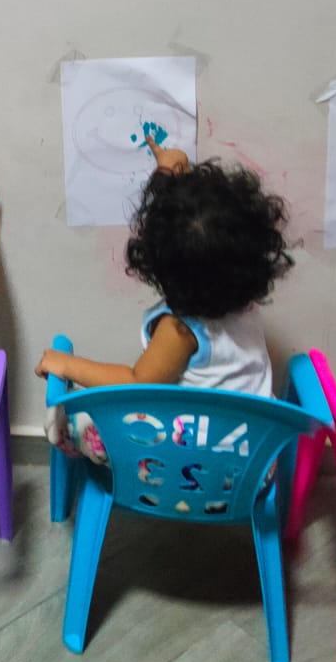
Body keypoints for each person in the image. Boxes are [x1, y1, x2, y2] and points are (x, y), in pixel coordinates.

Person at [36, 139, 293, 462]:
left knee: (81, 418)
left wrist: (67, 365)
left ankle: (74, 439)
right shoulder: (239, 296)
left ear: (158, 263)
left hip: (194, 470)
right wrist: (170, 177)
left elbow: (136, 383)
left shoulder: (178, 330)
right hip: (255, 460)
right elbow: (204, 237)